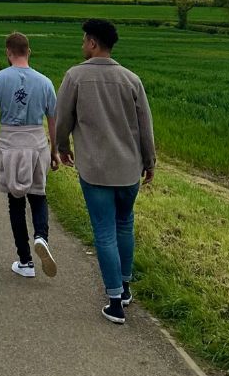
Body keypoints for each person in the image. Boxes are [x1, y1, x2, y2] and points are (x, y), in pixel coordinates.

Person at [55, 19, 156, 325]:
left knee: (104, 232)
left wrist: (61, 146)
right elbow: (145, 127)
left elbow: (63, 119)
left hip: (96, 170)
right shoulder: (131, 79)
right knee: (125, 225)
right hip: (129, 170)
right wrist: (149, 162)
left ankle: (115, 302)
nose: (82, 45)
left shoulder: (75, 77)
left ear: (94, 43)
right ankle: (125, 288)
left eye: (85, 40)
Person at [0, 32, 60, 279]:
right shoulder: (45, 82)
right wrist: (54, 150)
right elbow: (53, 119)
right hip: (36, 143)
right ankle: (41, 236)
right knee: (38, 195)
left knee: (15, 201)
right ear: (29, 51)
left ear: (8, 52)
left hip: (11, 142)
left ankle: (25, 261)